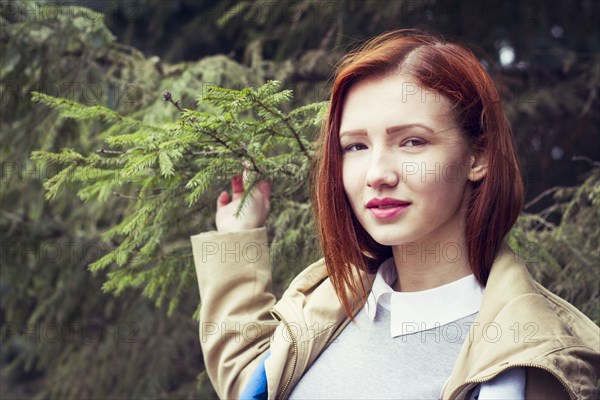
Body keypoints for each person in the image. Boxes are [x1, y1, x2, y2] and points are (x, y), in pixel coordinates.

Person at [190, 30, 599, 399]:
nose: (377, 174)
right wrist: (235, 240)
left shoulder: (535, 362)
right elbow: (254, 380)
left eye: (412, 142)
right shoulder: (334, 298)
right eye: (355, 146)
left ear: (479, 155)